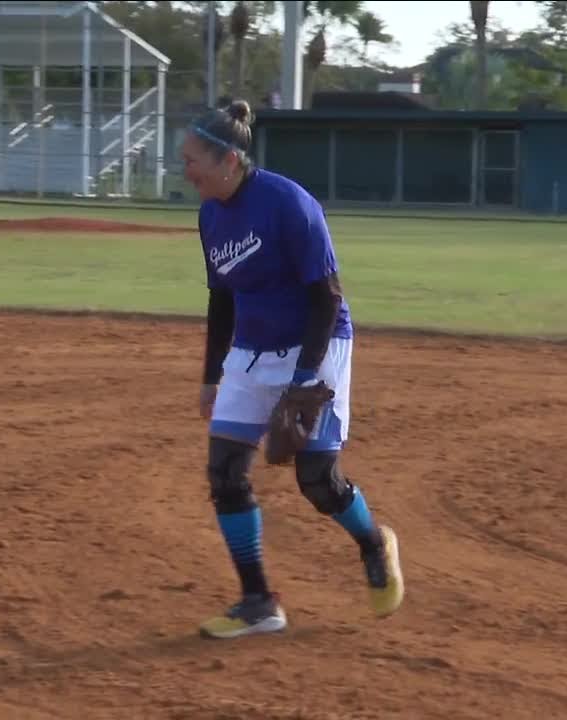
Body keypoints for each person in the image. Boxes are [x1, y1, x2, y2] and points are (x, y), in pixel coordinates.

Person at [183, 99, 404, 640]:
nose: (184, 169)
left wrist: (306, 378)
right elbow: (221, 301)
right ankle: (259, 602)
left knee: (316, 480)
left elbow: (326, 298)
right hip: (253, 351)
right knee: (226, 474)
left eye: (192, 160)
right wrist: (213, 375)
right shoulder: (210, 213)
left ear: (229, 160)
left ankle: (374, 542)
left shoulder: (289, 204)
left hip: (317, 345)